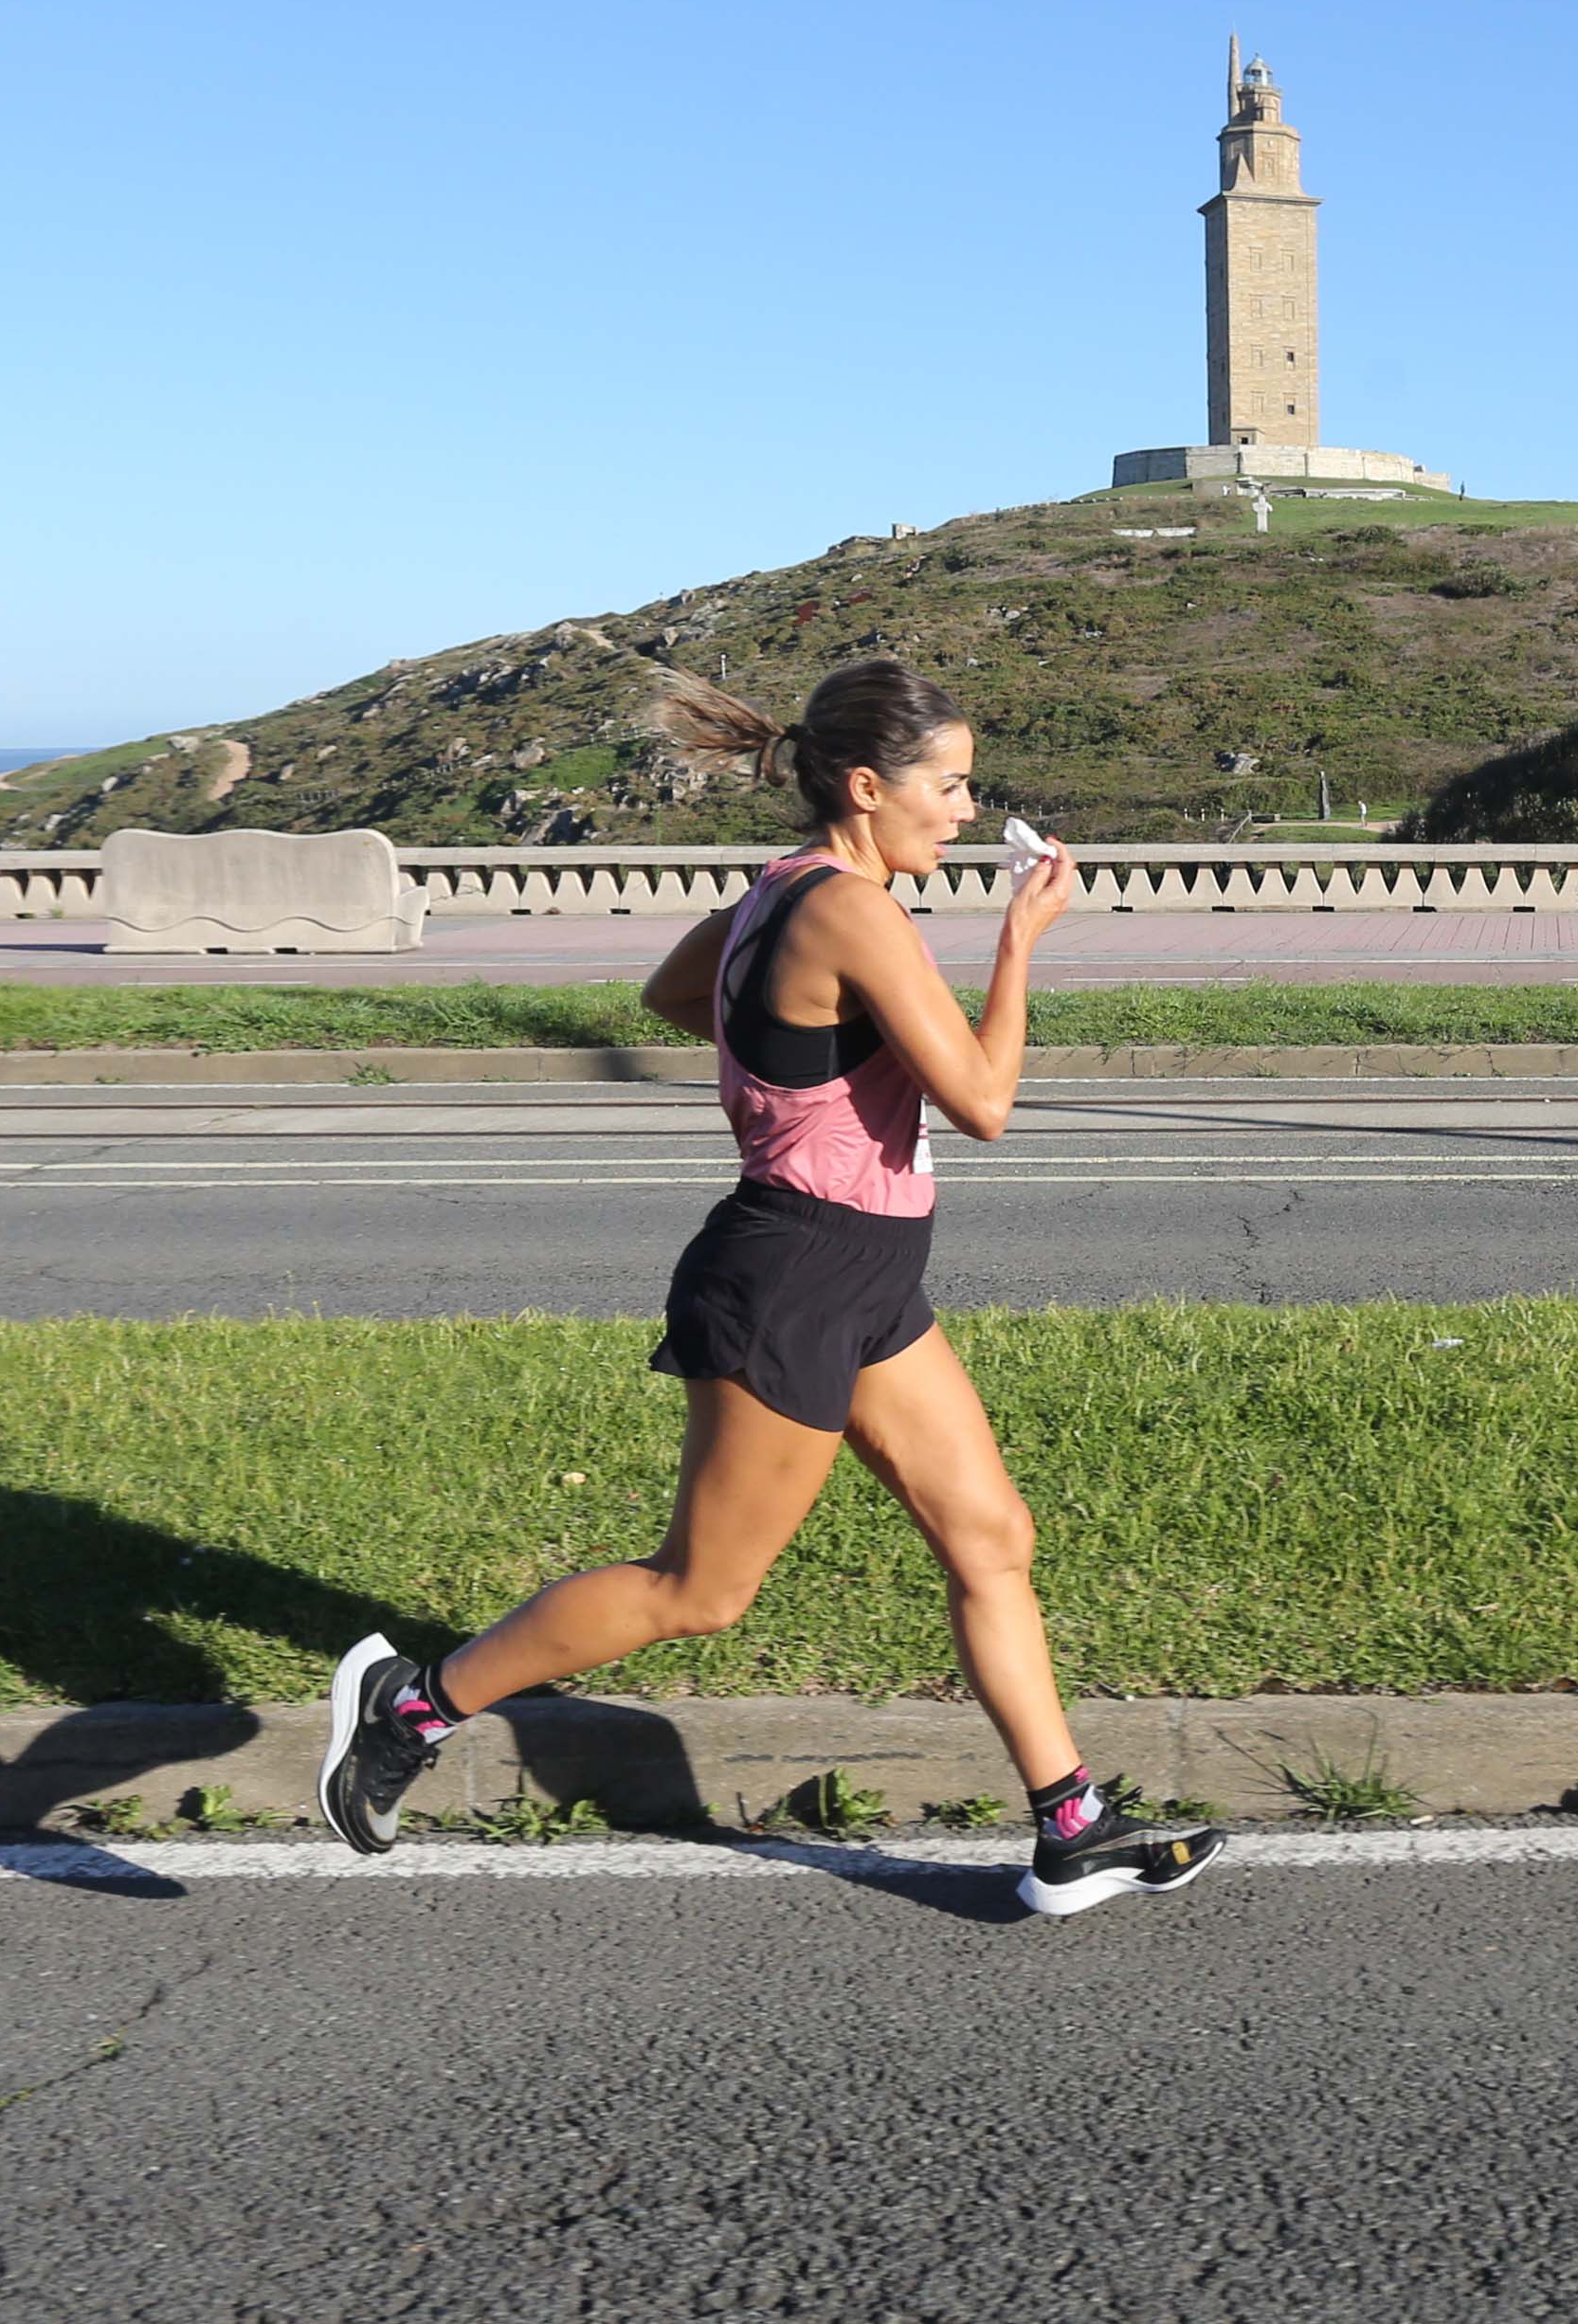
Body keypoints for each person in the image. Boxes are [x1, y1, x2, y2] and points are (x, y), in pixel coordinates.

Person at [315, 658, 1219, 1915]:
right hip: (794, 1271)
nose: (967, 811)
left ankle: (1070, 1826)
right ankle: (410, 1706)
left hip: (866, 1274)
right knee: (702, 1588)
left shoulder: (785, 887)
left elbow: (676, 992)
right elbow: (986, 1103)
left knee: (990, 1534)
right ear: (869, 788)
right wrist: (1020, 941)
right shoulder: (853, 912)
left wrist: (816, 1063)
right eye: (950, 785)